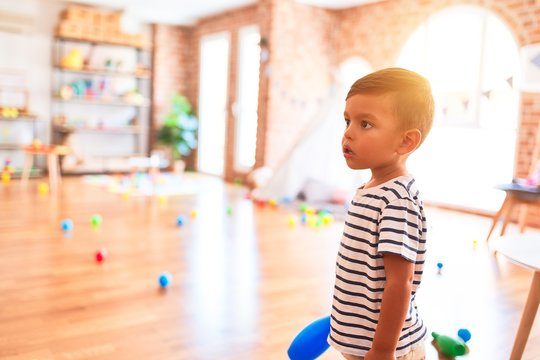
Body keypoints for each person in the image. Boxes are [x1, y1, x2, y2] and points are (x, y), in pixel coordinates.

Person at [328, 67, 434, 360]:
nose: (348, 133)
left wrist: (383, 349)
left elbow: (399, 283)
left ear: (406, 142)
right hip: (363, 342)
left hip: (390, 351)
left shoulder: (397, 201)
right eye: (348, 121)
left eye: (365, 124)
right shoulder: (371, 187)